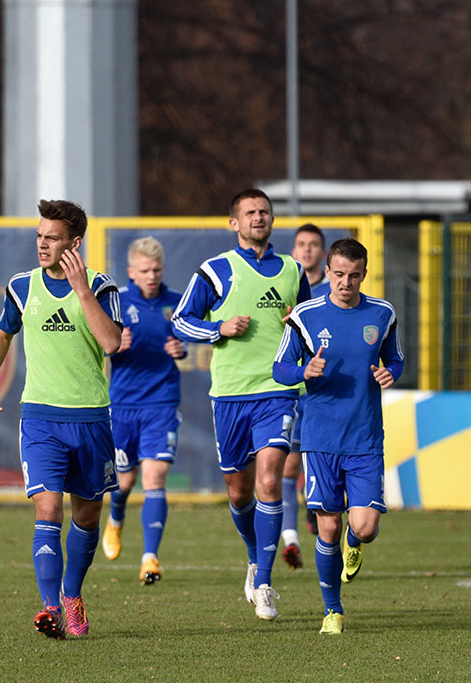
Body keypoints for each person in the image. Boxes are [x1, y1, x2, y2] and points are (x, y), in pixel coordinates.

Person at [0, 199, 123, 639]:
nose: (42, 244)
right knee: (48, 508)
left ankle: (72, 595)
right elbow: (3, 333)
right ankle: (51, 607)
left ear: (74, 244)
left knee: (87, 515)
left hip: (91, 418)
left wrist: (82, 291)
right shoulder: (22, 286)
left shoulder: (101, 286)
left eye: (52, 238)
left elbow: (111, 343)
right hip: (40, 417)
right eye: (39, 236)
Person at [171, 188, 310, 621]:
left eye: (264, 211)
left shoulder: (293, 270)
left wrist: (297, 322)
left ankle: (264, 583)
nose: (258, 217)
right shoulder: (216, 270)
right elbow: (181, 321)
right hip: (230, 395)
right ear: (234, 223)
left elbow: (311, 322)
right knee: (238, 490)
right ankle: (254, 556)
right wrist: (219, 328)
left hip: (277, 390)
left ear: (273, 219)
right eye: (250, 212)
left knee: (270, 480)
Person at [272, 237, 403, 635]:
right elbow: (280, 368)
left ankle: (355, 541)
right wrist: (303, 372)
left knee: (365, 527)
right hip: (320, 439)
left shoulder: (382, 313)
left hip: (365, 437)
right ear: (327, 272)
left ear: (364, 275)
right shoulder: (305, 316)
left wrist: (390, 373)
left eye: (355, 275)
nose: (346, 282)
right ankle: (333, 610)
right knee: (327, 528)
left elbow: (395, 359)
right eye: (340, 274)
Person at [102, 237, 186, 586]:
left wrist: (181, 348)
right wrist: (112, 346)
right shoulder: (117, 302)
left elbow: (189, 334)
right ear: (131, 272)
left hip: (161, 403)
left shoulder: (175, 302)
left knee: (154, 477)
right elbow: (97, 342)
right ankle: (115, 519)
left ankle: (150, 558)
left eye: (157, 270)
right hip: (123, 405)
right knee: (124, 481)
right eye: (145, 270)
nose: (152, 276)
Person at [279, 223, 329, 570]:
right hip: (292, 388)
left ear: (323, 253)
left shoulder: (335, 290)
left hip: (324, 392)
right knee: (289, 462)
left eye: (313, 244)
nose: (307, 250)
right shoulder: (287, 286)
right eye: (301, 244)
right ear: (294, 251)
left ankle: (315, 505)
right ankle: (290, 539)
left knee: (321, 461)